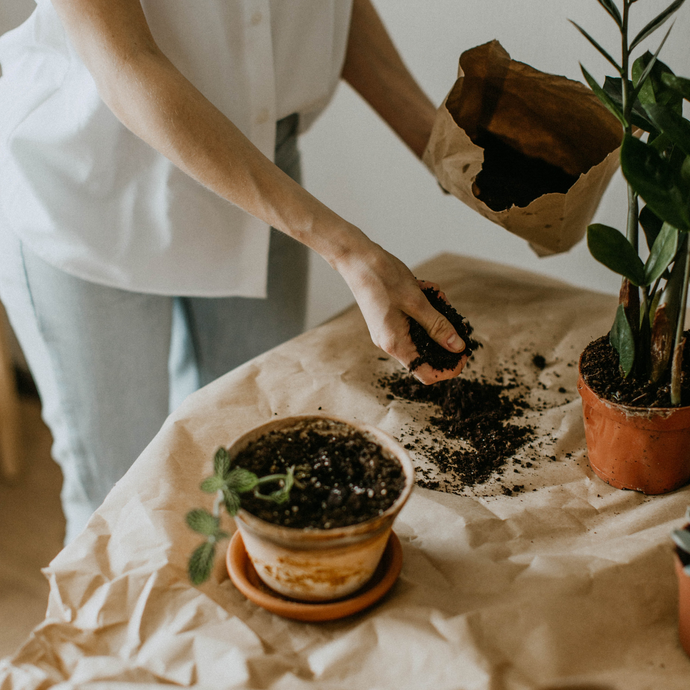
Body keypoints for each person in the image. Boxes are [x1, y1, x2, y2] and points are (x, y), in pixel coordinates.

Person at [0, 0, 467, 544]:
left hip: (261, 168)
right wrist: (347, 250)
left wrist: (444, 153)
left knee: (260, 457)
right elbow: (124, 60)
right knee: (119, 493)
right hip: (93, 183)